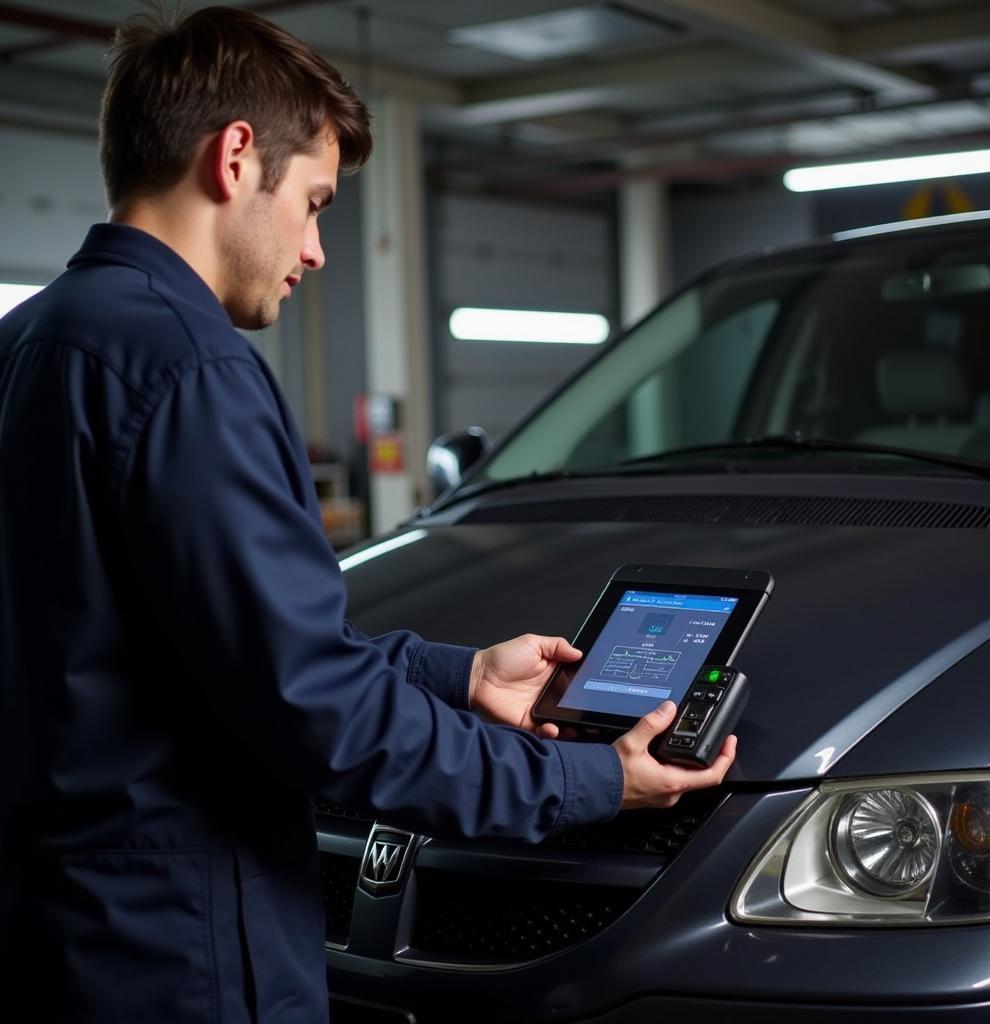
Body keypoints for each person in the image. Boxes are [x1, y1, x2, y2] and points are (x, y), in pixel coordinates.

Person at [0, 6, 736, 1022]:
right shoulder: (195, 368)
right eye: (313, 202)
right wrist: (584, 780)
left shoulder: (28, 346)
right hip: (182, 956)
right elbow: (318, 709)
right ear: (234, 157)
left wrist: (461, 673)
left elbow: (211, 652)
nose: (316, 249)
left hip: (55, 934)